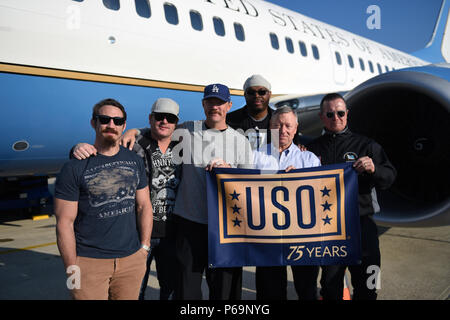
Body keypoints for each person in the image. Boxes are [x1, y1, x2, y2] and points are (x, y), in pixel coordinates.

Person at [72, 98, 182, 300]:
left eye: (171, 118)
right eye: (159, 117)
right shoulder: (134, 144)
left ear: (177, 122)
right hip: (138, 233)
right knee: (133, 291)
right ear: (150, 118)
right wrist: (77, 148)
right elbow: (106, 149)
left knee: (171, 288)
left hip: (173, 233)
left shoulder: (184, 145)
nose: (164, 121)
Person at [54, 98, 153, 300]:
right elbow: (64, 222)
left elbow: (144, 205)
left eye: (117, 121)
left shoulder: (134, 160)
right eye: (105, 119)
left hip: (131, 260)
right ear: (94, 123)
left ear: (124, 126)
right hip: (89, 263)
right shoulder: (74, 167)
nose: (111, 125)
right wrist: (72, 268)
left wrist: (144, 247)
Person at [306, 93, 397, 300]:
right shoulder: (311, 150)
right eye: (330, 114)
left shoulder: (367, 145)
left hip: (362, 225)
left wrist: (374, 169)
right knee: (330, 287)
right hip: (329, 229)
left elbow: (390, 177)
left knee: (369, 285)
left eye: (340, 113)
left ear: (347, 114)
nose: (335, 118)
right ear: (321, 117)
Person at [252, 106, 321, 300]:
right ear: (270, 127)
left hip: (302, 237)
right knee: (269, 292)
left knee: (307, 290)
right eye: (277, 125)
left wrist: (302, 181)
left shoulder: (309, 159)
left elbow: (322, 195)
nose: (283, 130)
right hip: (268, 237)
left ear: (296, 127)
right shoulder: (255, 157)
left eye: (288, 125)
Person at [226, 74, 301, 149]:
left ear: (269, 94)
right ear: (245, 95)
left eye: (262, 92)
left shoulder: (281, 120)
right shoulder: (229, 121)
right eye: (251, 92)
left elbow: (292, 150)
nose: (256, 96)